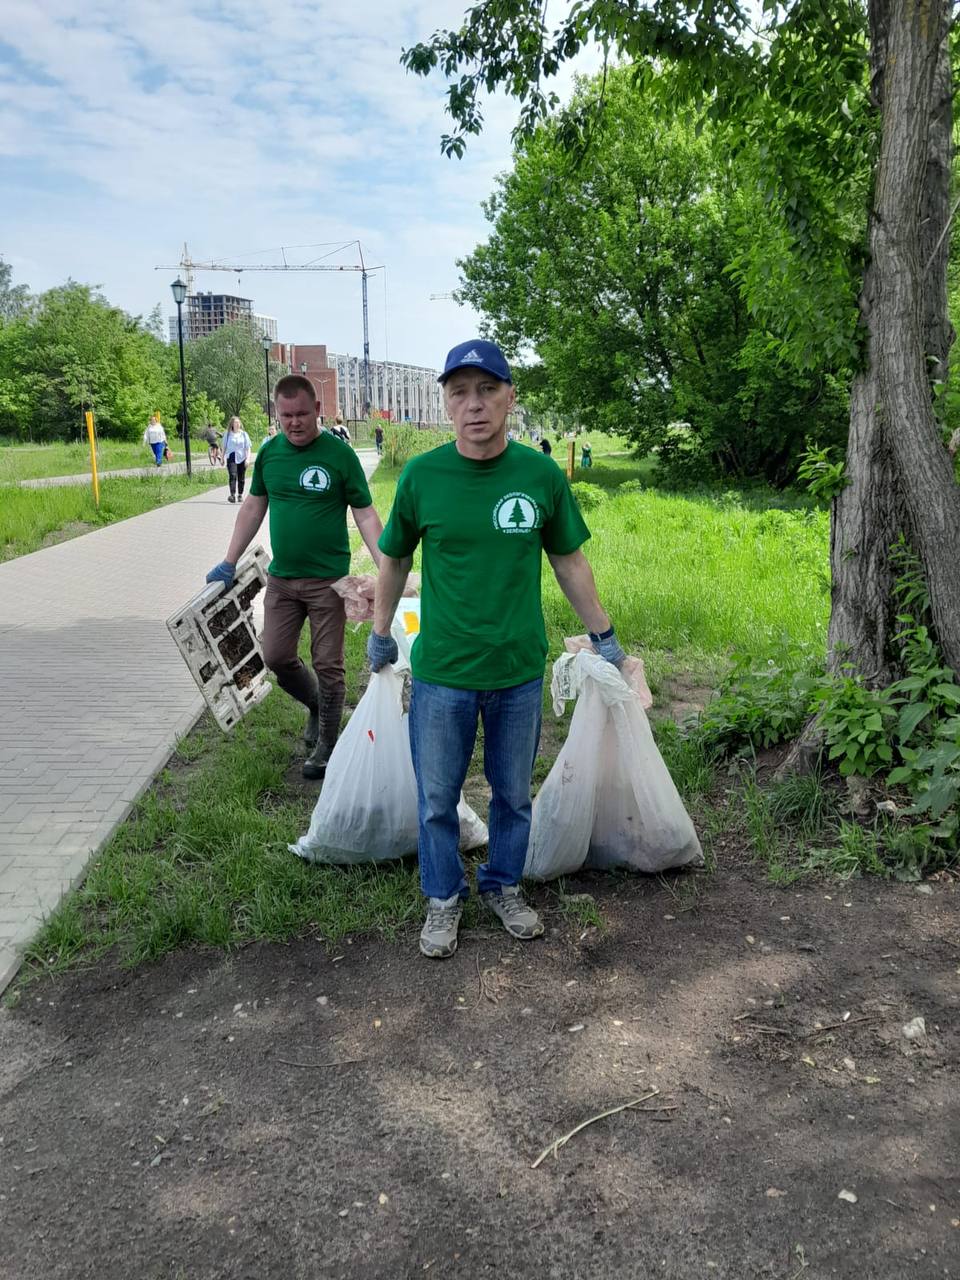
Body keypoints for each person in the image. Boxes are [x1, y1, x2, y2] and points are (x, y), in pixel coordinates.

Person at [367, 339, 625, 960]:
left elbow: (568, 560)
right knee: (436, 798)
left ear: (510, 397)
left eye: (487, 390)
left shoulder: (538, 476)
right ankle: (443, 897)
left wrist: (604, 635)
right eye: (460, 392)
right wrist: (380, 633)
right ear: (446, 404)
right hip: (443, 671)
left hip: (515, 670)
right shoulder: (422, 477)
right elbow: (395, 558)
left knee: (512, 793)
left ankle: (504, 885)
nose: (474, 405)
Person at [206, 375, 385, 778]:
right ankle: (317, 705)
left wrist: (384, 563)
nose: (294, 422)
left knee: (329, 664)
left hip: (327, 581)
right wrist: (229, 560)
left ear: (318, 410)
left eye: (302, 414)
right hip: (283, 580)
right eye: (286, 415)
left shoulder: (340, 456)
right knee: (275, 656)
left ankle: (327, 741)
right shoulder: (270, 454)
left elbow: (365, 513)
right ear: (277, 413)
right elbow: (253, 507)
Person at [222, 416, 252, 504]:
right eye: (236, 422)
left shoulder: (244, 434)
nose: (238, 424)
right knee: (232, 475)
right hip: (231, 457)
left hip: (242, 457)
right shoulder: (227, 434)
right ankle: (232, 494)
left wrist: (248, 459)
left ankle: (240, 494)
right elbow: (223, 446)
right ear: (232, 424)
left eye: (239, 422)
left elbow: (248, 448)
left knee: (241, 477)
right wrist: (222, 458)